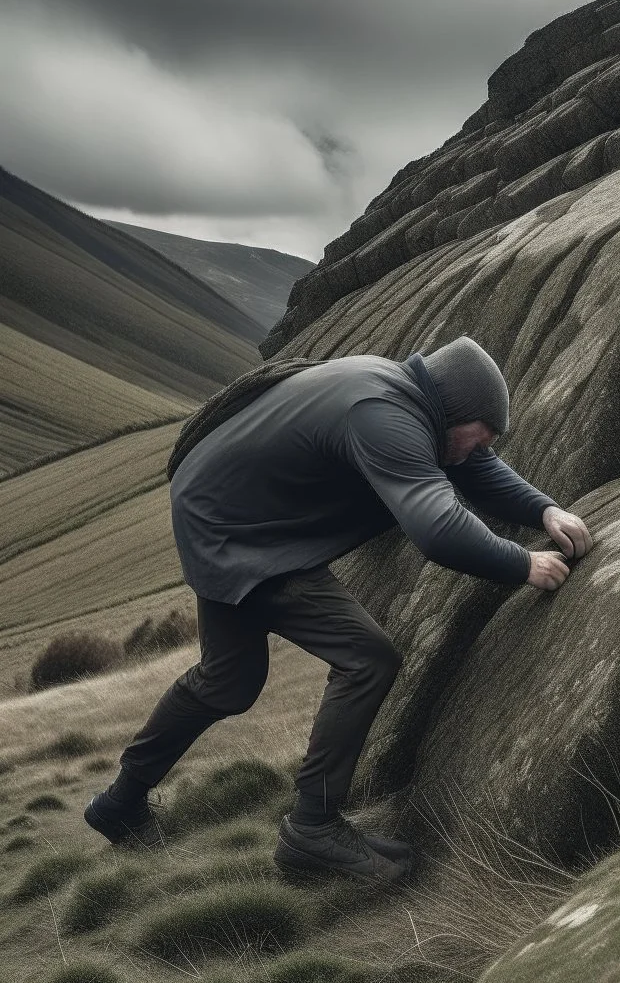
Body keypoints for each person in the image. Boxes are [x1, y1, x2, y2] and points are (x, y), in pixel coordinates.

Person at [84, 336, 593, 880]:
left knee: (226, 680)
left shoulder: (404, 394)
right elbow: (437, 529)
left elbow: (476, 469)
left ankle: (119, 803)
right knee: (366, 657)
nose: (478, 449)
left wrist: (544, 510)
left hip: (219, 506)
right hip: (238, 530)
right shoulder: (384, 414)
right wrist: (523, 565)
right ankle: (313, 831)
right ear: (454, 411)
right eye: (480, 436)